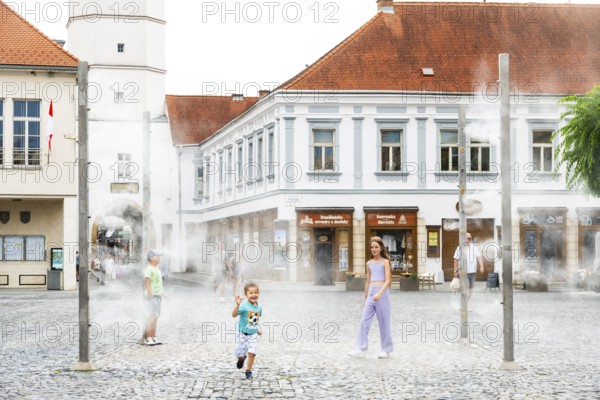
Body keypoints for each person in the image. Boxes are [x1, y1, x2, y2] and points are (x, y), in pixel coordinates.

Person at [348, 236, 394, 358]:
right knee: (364, 320)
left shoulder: (385, 262)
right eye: (372, 247)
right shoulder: (369, 263)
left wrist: (380, 293)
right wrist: (366, 296)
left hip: (382, 292)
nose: (374, 249)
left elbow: (388, 279)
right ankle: (360, 347)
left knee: (384, 322)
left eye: (376, 247)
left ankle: (386, 349)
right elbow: (368, 281)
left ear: (381, 248)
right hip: (371, 293)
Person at [232, 282, 262, 380]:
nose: (254, 295)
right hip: (242, 334)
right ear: (246, 294)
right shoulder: (244, 306)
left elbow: (255, 320)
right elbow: (234, 315)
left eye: (256, 292)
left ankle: (248, 370)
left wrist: (257, 329)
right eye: (251, 293)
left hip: (253, 335)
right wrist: (237, 305)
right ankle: (241, 359)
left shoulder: (258, 307)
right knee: (239, 353)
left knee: (252, 352)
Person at [453, 232, 485, 307]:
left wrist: (482, 266)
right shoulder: (460, 247)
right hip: (463, 273)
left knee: (470, 289)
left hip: (472, 272)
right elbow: (455, 260)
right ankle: (464, 304)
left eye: (471, 238)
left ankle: (467, 303)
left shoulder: (474, 247)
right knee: (465, 288)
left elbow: (479, 257)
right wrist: (455, 271)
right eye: (469, 238)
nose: (470, 239)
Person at [144, 249, 164, 346]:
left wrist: (163, 294)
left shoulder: (157, 269)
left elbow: (159, 284)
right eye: (157, 256)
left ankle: (153, 336)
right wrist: (150, 295)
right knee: (152, 316)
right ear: (151, 258)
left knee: (156, 316)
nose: (159, 258)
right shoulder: (149, 269)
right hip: (152, 296)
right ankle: (148, 337)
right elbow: (147, 282)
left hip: (158, 295)